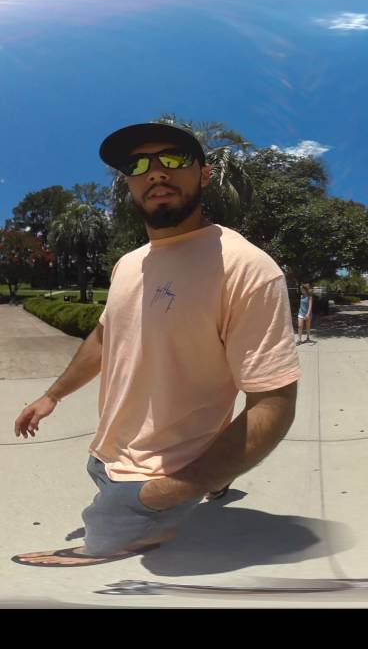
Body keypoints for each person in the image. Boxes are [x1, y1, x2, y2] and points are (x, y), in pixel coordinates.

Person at [12, 122, 301, 567]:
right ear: (129, 182)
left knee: (101, 550)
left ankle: (196, 491)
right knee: (99, 472)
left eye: (172, 159)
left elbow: (273, 403)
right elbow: (107, 336)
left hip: (157, 475)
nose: (155, 172)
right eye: (138, 164)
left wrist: (173, 489)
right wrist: (53, 395)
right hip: (106, 455)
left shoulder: (247, 268)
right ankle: (213, 484)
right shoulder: (129, 264)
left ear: (204, 174)